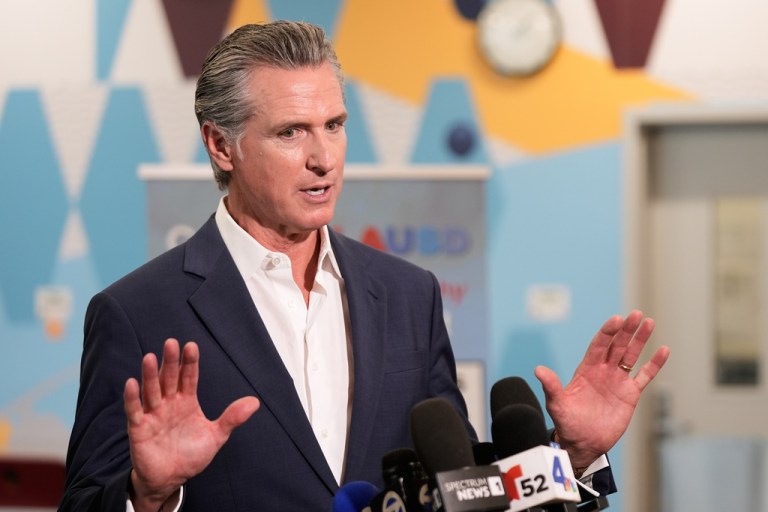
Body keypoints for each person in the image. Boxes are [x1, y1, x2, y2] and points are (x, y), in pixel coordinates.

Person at [60, 21, 670, 512]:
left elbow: (457, 488)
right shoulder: (137, 312)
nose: (323, 157)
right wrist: (150, 494)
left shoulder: (408, 293)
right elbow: (86, 501)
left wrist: (573, 452)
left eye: (335, 125)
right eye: (291, 132)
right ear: (222, 145)